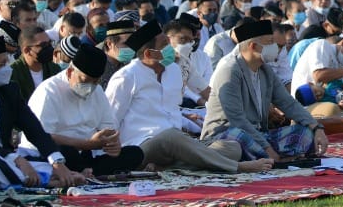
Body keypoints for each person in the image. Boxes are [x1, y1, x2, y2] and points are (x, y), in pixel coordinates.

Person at [108, 21, 273, 173]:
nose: (171, 49)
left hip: (177, 144)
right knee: (170, 136)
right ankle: (238, 167)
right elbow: (111, 120)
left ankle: (166, 168)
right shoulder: (126, 77)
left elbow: (189, 100)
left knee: (232, 148)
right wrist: (112, 158)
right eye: (164, 45)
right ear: (149, 53)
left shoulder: (173, 70)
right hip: (142, 146)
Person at [0, 37, 85, 189]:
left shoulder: (10, 90)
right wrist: (15, 159)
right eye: (1, 64)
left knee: (50, 160)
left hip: (7, 156)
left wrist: (57, 162)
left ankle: (52, 177)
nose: (8, 68)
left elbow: (33, 128)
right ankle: (44, 181)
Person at [200, 20, 329, 161]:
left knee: (305, 133)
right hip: (226, 135)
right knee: (239, 140)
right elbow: (237, 120)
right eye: (271, 43)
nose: (277, 48)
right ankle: (269, 157)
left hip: (257, 135)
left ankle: (262, 157)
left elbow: (288, 103)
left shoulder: (265, 70)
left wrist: (316, 127)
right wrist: (267, 149)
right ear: (254, 46)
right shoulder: (229, 70)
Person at [27, 43, 145, 176]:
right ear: (70, 72)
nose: (90, 87)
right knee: (65, 152)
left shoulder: (97, 91)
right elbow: (43, 137)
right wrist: (87, 144)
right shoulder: (49, 91)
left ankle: (88, 172)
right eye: (85, 81)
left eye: (95, 82)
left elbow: (108, 130)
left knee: (135, 153)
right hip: (56, 156)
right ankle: (84, 171)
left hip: (87, 155)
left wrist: (113, 144)